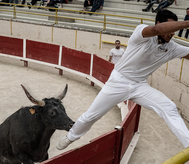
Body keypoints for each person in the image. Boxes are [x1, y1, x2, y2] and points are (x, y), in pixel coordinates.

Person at [56, 9, 189, 150]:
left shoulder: (172, 48)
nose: (173, 32)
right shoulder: (141, 32)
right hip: (118, 82)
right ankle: (71, 136)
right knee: (91, 116)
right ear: (158, 22)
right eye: (172, 27)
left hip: (140, 86)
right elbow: (157, 30)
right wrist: (186, 23)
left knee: (169, 107)